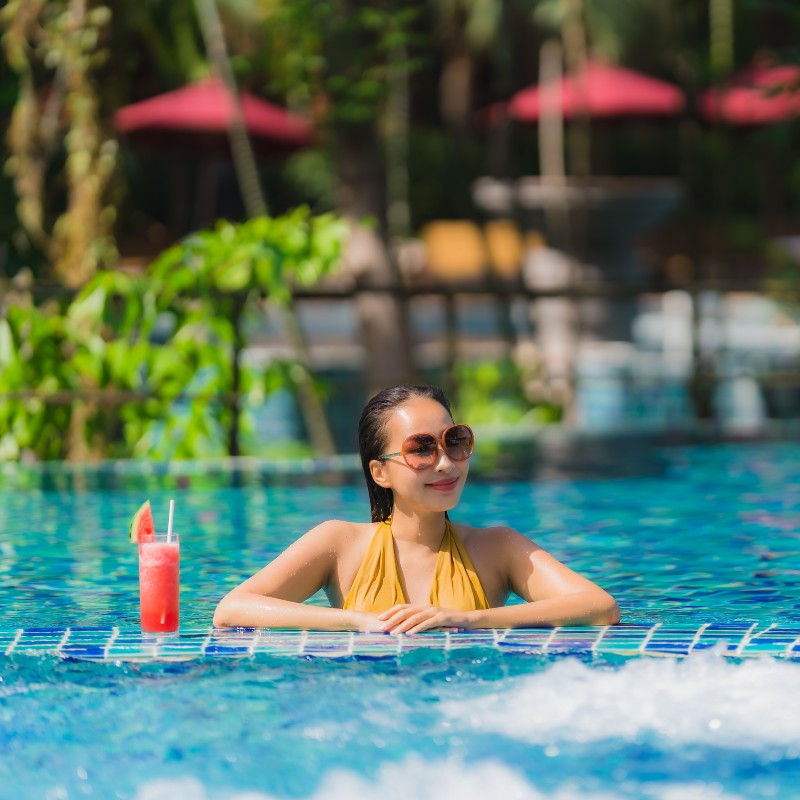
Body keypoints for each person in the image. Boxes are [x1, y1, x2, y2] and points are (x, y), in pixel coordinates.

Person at [213, 384, 620, 633]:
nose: (445, 463)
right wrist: (357, 622)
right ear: (380, 472)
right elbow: (232, 610)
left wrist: (468, 621)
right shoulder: (339, 543)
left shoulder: (496, 547)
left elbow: (599, 608)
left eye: (454, 441)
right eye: (421, 448)